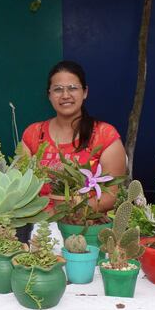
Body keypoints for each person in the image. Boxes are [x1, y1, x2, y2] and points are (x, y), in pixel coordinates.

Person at [21, 60, 126, 211]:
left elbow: (110, 197)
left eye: (73, 88)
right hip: (38, 225)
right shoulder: (34, 134)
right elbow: (21, 188)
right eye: (58, 89)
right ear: (49, 95)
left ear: (85, 92)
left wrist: (63, 213)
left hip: (83, 225)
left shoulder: (105, 135)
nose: (65, 95)